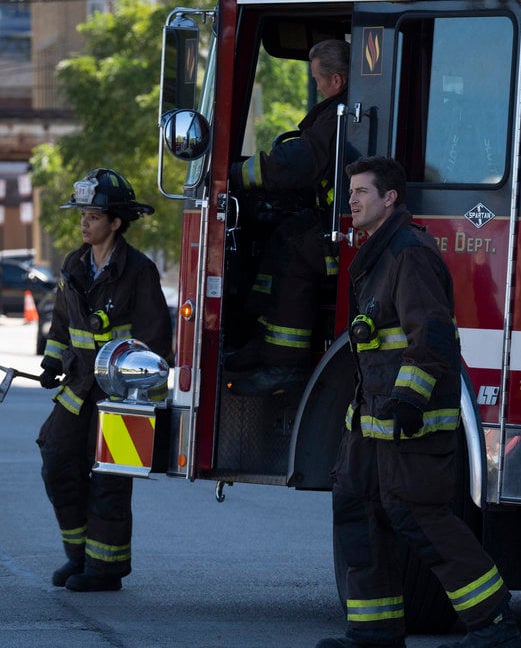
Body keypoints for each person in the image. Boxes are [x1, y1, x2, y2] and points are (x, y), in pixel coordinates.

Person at [315, 157, 521, 648]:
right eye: (351, 192)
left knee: (419, 516)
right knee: (357, 510)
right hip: (371, 422)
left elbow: (430, 337)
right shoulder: (379, 255)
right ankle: (374, 631)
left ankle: (493, 623)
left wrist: (409, 401)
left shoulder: (409, 254)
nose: (353, 200)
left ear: (390, 199)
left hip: (409, 422)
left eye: (363, 192)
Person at [36, 168, 173, 592]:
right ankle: (77, 557)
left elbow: (155, 342)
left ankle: (104, 570)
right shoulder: (75, 264)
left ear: (115, 222)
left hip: (124, 395)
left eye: (93, 216)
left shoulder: (140, 271)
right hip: (79, 387)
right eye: (83, 215)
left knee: (110, 483)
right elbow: (63, 323)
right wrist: (51, 360)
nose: (84, 223)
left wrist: (135, 384)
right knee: (58, 461)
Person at [227, 38, 359, 396]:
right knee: (285, 234)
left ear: (336, 81)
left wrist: (237, 174)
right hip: (335, 224)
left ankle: (284, 365)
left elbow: (299, 162)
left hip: (346, 240)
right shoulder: (340, 112)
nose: (315, 85)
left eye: (318, 79)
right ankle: (262, 339)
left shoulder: (338, 116)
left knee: (295, 250)